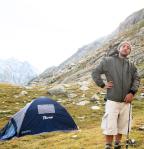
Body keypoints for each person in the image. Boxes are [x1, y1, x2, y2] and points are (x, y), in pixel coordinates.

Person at [91, 41, 140, 149]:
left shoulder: (131, 66)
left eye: (128, 48)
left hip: (126, 101)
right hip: (112, 99)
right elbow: (95, 72)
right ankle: (108, 146)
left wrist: (132, 93)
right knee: (110, 124)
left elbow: (136, 79)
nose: (126, 48)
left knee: (122, 125)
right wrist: (102, 84)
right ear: (119, 49)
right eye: (124, 46)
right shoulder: (108, 61)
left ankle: (117, 144)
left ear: (130, 52)